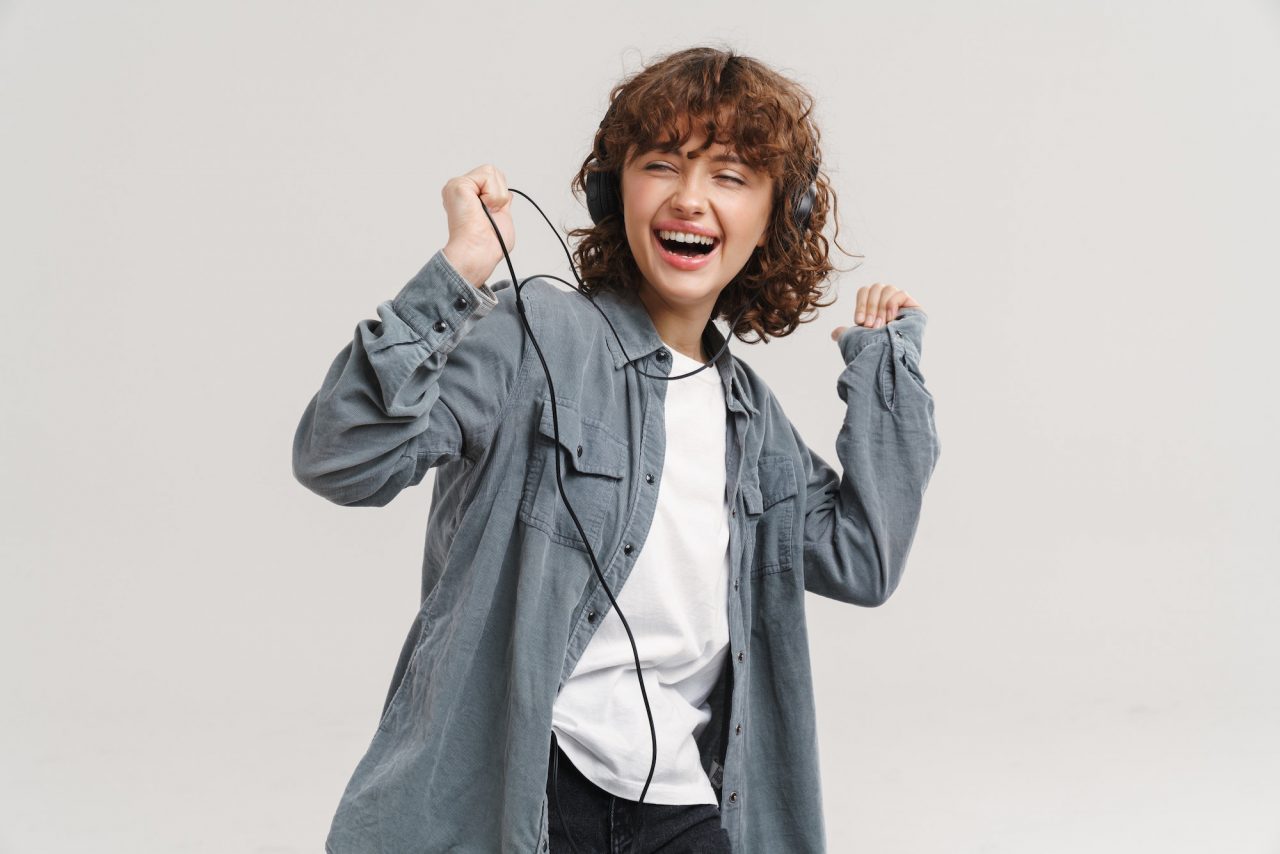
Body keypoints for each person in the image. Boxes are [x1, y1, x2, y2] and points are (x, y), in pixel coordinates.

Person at [293, 45, 940, 854]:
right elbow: (342, 457)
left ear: (780, 215)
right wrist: (461, 267)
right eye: (661, 164)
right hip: (524, 790)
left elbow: (864, 560)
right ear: (615, 187)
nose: (690, 200)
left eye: (731, 176)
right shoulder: (534, 338)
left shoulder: (753, 423)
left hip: (677, 793)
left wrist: (887, 373)